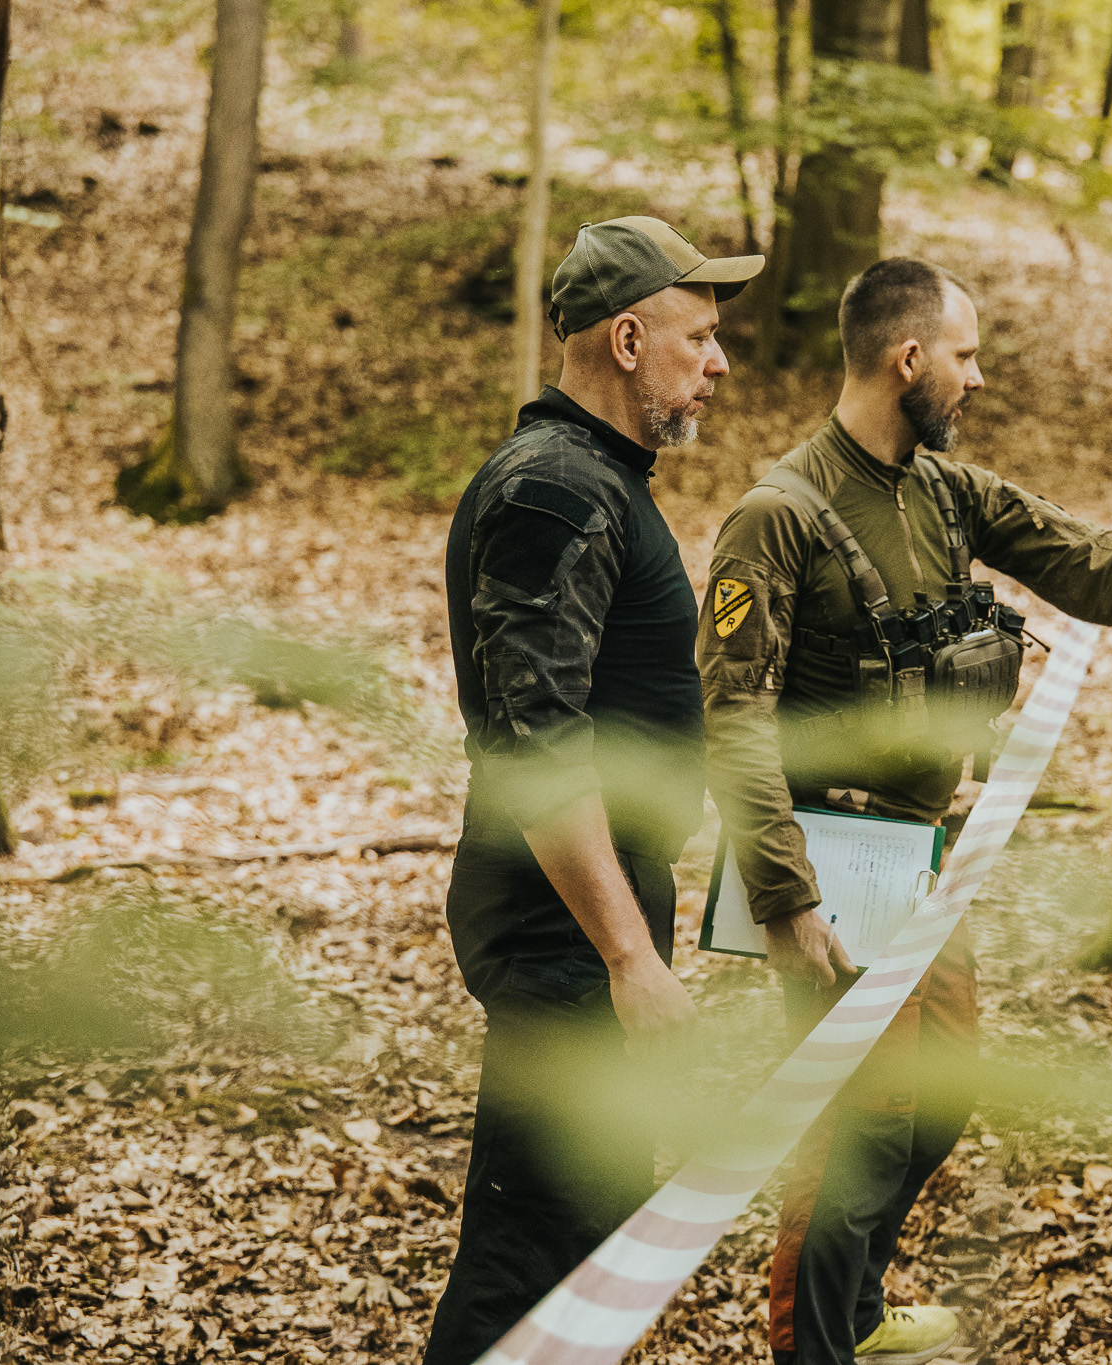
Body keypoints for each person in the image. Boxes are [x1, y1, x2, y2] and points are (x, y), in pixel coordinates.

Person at [697, 257, 1112, 1365]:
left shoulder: (945, 493)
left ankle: (855, 1314)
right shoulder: (779, 516)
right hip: (826, 869)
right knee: (858, 1131)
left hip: (920, 863)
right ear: (907, 360)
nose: (978, 378)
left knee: (932, 1107)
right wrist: (785, 900)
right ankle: (813, 1347)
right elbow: (733, 721)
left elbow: (1080, 556)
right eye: (965, 356)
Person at [424, 216, 762, 1365]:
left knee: (583, 1256)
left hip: (591, 921)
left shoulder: (600, 482)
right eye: (699, 337)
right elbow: (538, 746)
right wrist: (624, 958)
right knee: (529, 1263)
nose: (717, 364)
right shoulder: (554, 493)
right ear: (627, 338)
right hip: (562, 930)